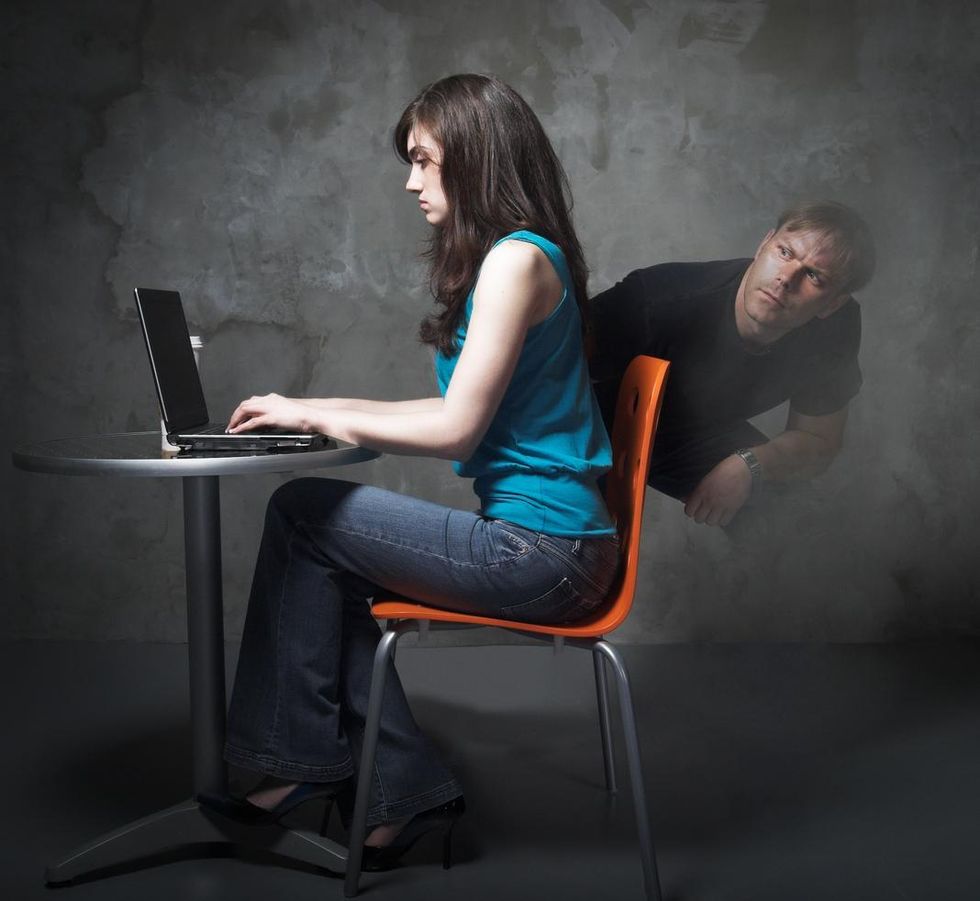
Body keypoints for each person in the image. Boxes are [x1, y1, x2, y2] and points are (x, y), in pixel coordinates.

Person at [214, 74, 619, 870]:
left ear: (474, 159)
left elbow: (454, 426)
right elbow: (452, 411)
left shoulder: (516, 261)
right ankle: (402, 792)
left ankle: (303, 767)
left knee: (303, 516)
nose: (410, 182)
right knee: (325, 554)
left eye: (425, 161)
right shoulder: (519, 258)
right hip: (551, 544)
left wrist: (314, 413)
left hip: (541, 551)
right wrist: (309, 404)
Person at [590, 201, 876, 528]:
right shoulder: (657, 301)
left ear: (833, 304)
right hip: (591, 431)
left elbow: (819, 440)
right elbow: (543, 377)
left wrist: (748, 465)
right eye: (784, 252)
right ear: (764, 244)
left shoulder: (834, 329)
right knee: (580, 552)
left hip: (693, 434)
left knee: (797, 521)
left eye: (813, 276)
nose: (786, 278)